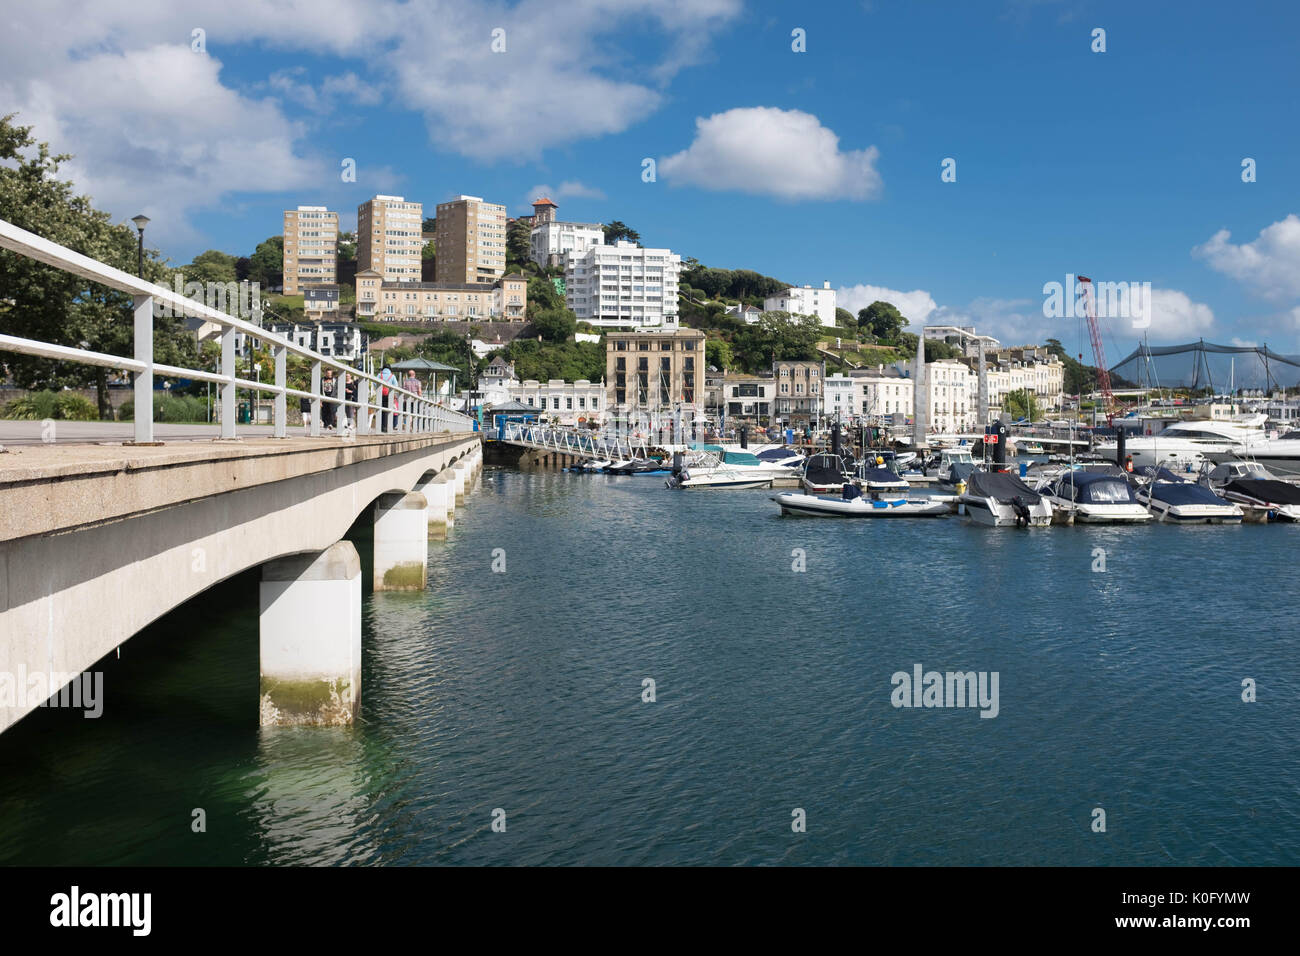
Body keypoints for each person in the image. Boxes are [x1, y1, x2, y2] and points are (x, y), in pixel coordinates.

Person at [378, 364, 396, 433]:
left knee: (380, 410)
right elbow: (396, 385)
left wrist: (378, 389)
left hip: (381, 394)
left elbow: (374, 382)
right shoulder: (392, 376)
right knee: (388, 411)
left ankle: (381, 427)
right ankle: (387, 427)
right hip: (389, 395)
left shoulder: (380, 375)